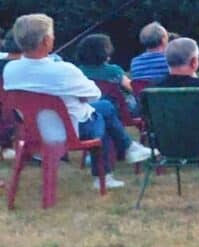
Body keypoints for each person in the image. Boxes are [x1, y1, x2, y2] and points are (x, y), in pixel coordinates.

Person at [3, 14, 151, 189]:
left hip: (32, 131)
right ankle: (111, 167)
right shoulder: (63, 70)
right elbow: (94, 94)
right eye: (52, 35)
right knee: (100, 113)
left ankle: (127, 148)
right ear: (45, 41)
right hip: (68, 130)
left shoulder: (10, 69)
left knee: (104, 108)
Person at [75, 33, 138, 113]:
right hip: (118, 111)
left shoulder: (77, 72)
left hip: (90, 111)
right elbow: (132, 88)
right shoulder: (114, 71)